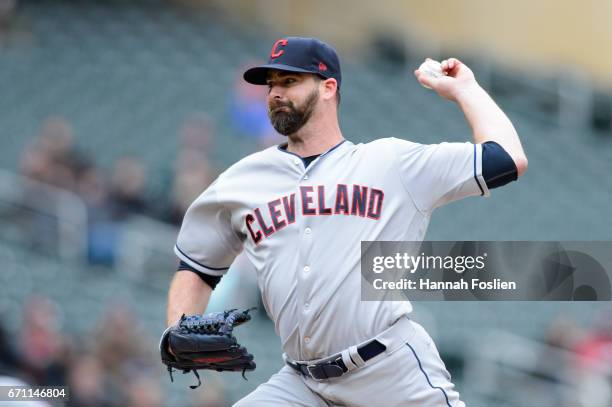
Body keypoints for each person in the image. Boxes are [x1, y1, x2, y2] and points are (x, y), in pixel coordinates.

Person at [164, 37, 527, 406]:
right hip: (302, 384)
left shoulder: (390, 163)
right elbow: (196, 265)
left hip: (388, 371)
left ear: (328, 87)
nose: (274, 92)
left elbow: (508, 158)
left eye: (289, 81)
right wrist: (178, 327)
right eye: (271, 83)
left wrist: (466, 90)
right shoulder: (242, 181)